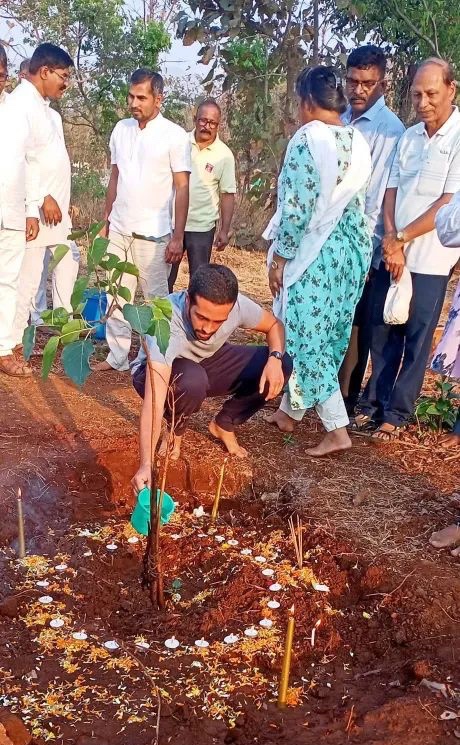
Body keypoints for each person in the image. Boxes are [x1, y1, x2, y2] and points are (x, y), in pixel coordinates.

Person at [265, 66, 372, 457]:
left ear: (308, 101)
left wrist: (280, 259)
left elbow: (297, 211)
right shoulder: (358, 141)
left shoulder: (307, 138)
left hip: (316, 254)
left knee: (304, 338)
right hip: (351, 255)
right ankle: (289, 412)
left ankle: (337, 429)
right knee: (326, 336)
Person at [355, 58, 460, 440]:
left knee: (416, 337)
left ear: (451, 89)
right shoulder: (410, 136)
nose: (423, 102)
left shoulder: (458, 137)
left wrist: (401, 238)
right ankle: (373, 404)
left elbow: (448, 202)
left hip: (431, 258)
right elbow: (391, 191)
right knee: (383, 331)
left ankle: (396, 414)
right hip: (394, 252)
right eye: (417, 94)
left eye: (431, 93)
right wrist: (391, 239)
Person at [131, 264, 292, 488]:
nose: (207, 328)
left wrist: (274, 358)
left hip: (206, 361)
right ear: (188, 300)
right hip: (156, 372)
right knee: (191, 380)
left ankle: (224, 422)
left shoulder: (237, 307)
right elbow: (154, 404)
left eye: (218, 321)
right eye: (201, 317)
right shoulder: (167, 321)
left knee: (282, 363)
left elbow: (274, 325)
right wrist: (146, 464)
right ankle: (175, 429)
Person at [94, 69, 191, 373]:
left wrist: (178, 237)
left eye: (141, 97)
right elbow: (115, 177)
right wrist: (106, 220)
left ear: (158, 99)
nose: (133, 103)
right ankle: (117, 356)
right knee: (116, 294)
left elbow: (182, 187)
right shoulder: (121, 129)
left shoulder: (175, 135)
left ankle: (155, 359)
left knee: (156, 302)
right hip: (119, 228)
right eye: (130, 96)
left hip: (155, 234)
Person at [339, 46, 405, 415]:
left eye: (367, 83)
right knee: (335, 316)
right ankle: (323, 392)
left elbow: (376, 200)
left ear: (382, 84)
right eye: (353, 81)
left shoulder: (390, 131)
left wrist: (363, 254)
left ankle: (345, 400)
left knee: (358, 325)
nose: (358, 89)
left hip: (364, 245)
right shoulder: (340, 118)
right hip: (332, 240)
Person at [11, 43, 79, 350]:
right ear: (45, 71)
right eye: (63, 76)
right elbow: (20, 160)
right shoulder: (19, 105)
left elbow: (47, 159)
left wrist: (61, 199)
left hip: (56, 213)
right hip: (35, 211)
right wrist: (39, 199)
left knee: (69, 262)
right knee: (25, 281)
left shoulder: (48, 112)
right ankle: (12, 344)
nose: (66, 83)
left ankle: (62, 326)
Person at [168, 98, 236, 291]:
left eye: (212, 123)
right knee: (164, 279)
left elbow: (227, 194)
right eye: (203, 120)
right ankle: (164, 311)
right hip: (171, 224)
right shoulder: (179, 143)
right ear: (195, 119)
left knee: (199, 284)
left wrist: (224, 230)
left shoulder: (224, 155)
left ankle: (192, 311)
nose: (207, 126)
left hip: (202, 227)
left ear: (218, 124)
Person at [0, 53, 41, 376]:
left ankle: (3, 348)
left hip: (12, 210)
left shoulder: (17, 110)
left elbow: (32, 161)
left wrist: (31, 210)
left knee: (7, 282)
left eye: (0, 74)